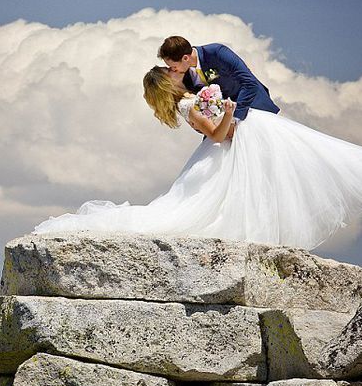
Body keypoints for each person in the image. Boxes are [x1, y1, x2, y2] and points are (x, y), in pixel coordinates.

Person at [33, 66, 362, 251]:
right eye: (171, 73)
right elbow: (218, 136)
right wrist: (229, 112)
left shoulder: (192, 99)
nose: (178, 73)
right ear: (169, 83)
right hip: (219, 151)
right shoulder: (188, 106)